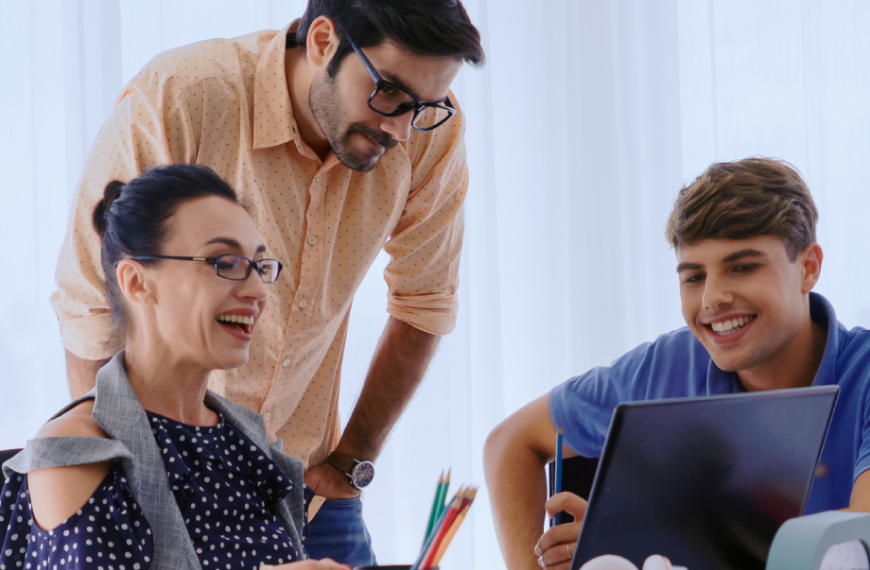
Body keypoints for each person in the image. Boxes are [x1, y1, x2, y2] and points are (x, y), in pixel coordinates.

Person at [50, 1, 484, 565]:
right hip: (163, 474)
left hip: (309, 487)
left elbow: (425, 301)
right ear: (323, 41)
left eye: (426, 106)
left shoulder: (425, 132)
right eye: (390, 94)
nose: (401, 130)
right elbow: (92, 302)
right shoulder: (183, 97)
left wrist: (353, 459)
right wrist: (122, 475)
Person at [483, 158, 870, 570]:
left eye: (743, 267)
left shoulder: (862, 373)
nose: (712, 299)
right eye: (694, 277)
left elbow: (855, 538)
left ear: (808, 268)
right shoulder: (666, 367)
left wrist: (645, 539)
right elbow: (510, 443)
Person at [1, 164, 350, 570]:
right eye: (224, 262)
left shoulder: (253, 440)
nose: (258, 291)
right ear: (136, 282)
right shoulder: (76, 452)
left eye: (259, 266)